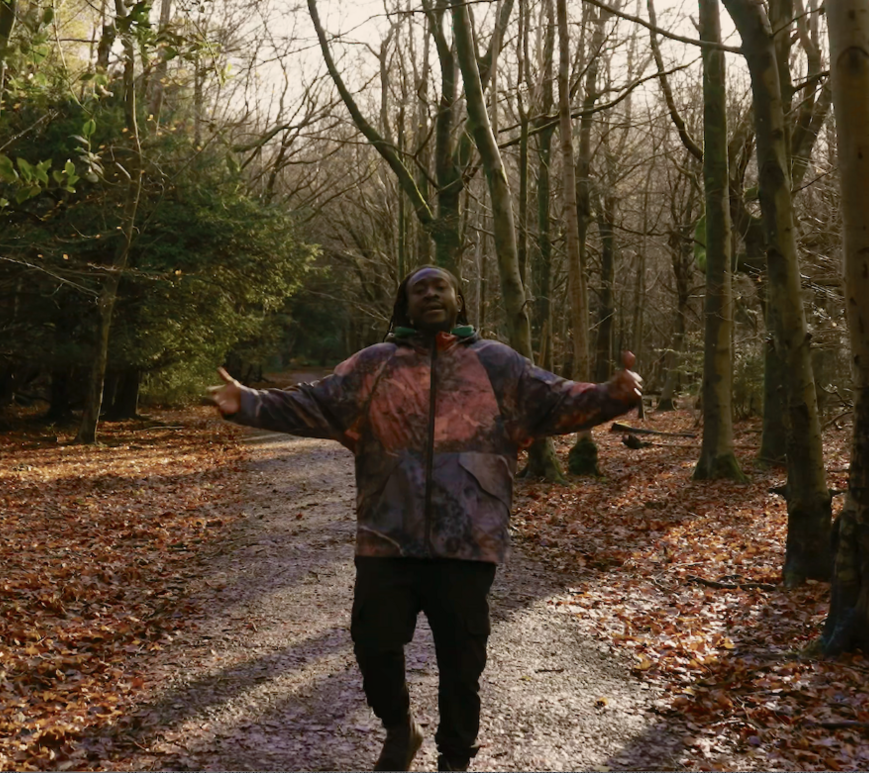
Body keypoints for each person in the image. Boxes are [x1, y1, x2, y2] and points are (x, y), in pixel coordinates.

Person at [208, 265, 641, 771]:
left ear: (459, 301)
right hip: (385, 535)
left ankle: (455, 759)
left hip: (469, 538)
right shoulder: (375, 365)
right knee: (373, 646)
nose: (431, 294)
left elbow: (557, 398)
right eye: (420, 289)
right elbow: (316, 403)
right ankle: (400, 729)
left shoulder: (498, 363)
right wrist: (249, 402)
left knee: (462, 664)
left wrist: (613, 394)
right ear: (405, 305)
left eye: (441, 287)